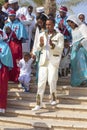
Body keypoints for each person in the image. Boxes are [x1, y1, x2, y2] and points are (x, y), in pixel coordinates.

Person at [32, 18, 64, 111]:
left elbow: (60, 48)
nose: (47, 26)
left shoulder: (59, 36)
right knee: (41, 82)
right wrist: (41, 44)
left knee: (51, 80)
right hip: (43, 61)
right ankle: (38, 103)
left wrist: (52, 45)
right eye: (46, 24)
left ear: (54, 25)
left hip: (53, 61)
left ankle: (53, 98)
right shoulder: (42, 34)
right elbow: (37, 48)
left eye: (49, 24)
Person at [4, 9, 28, 83]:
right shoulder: (6, 24)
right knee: (8, 60)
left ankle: (16, 77)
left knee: (16, 60)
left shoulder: (19, 24)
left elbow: (21, 37)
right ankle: (8, 77)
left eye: (13, 16)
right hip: (8, 45)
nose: (11, 17)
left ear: (15, 16)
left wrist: (13, 33)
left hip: (16, 45)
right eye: (10, 16)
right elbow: (3, 36)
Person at [67, 15, 87, 87]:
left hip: (81, 49)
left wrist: (81, 43)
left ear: (74, 22)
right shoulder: (73, 30)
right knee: (75, 65)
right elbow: (74, 40)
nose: (70, 26)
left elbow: (86, 37)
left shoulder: (82, 27)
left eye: (71, 24)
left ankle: (84, 80)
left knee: (82, 64)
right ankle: (78, 81)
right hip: (74, 49)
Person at [55, 5, 72, 77]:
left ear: (65, 13)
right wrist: (58, 27)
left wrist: (63, 28)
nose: (61, 13)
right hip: (57, 40)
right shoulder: (56, 19)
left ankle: (64, 71)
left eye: (62, 12)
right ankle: (58, 71)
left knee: (65, 57)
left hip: (66, 40)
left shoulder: (68, 20)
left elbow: (70, 29)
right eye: (60, 12)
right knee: (58, 55)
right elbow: (55, 27)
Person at [32, 14, 48, 84]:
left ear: (45, 21)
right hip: (39, 51)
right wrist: (33, 51)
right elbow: (36, 41)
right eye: (38, 22)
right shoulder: (39, 29)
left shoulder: (49, 30)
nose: (40, 24)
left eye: (41, 22)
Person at [0, 29, 13, 113]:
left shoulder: (5, 46)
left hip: (2, 69)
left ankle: (1, 106)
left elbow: (7, 57)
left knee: (2, 88)